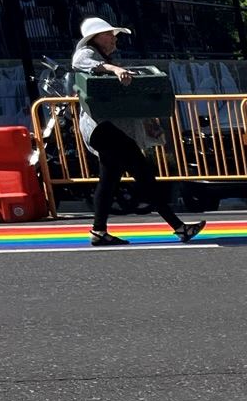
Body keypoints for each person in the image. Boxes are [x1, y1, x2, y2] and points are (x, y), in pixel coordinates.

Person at [71, 16, 204, 248]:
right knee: (142, 174)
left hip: (106, 129)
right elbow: (80, 61)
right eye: (109, 35)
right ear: (96, 38)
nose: (113, 39)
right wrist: (114, 69)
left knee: (109, 180)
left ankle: (99, 231)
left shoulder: (103, 57)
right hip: (103, 128)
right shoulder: (88, 53)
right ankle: (179, 227)